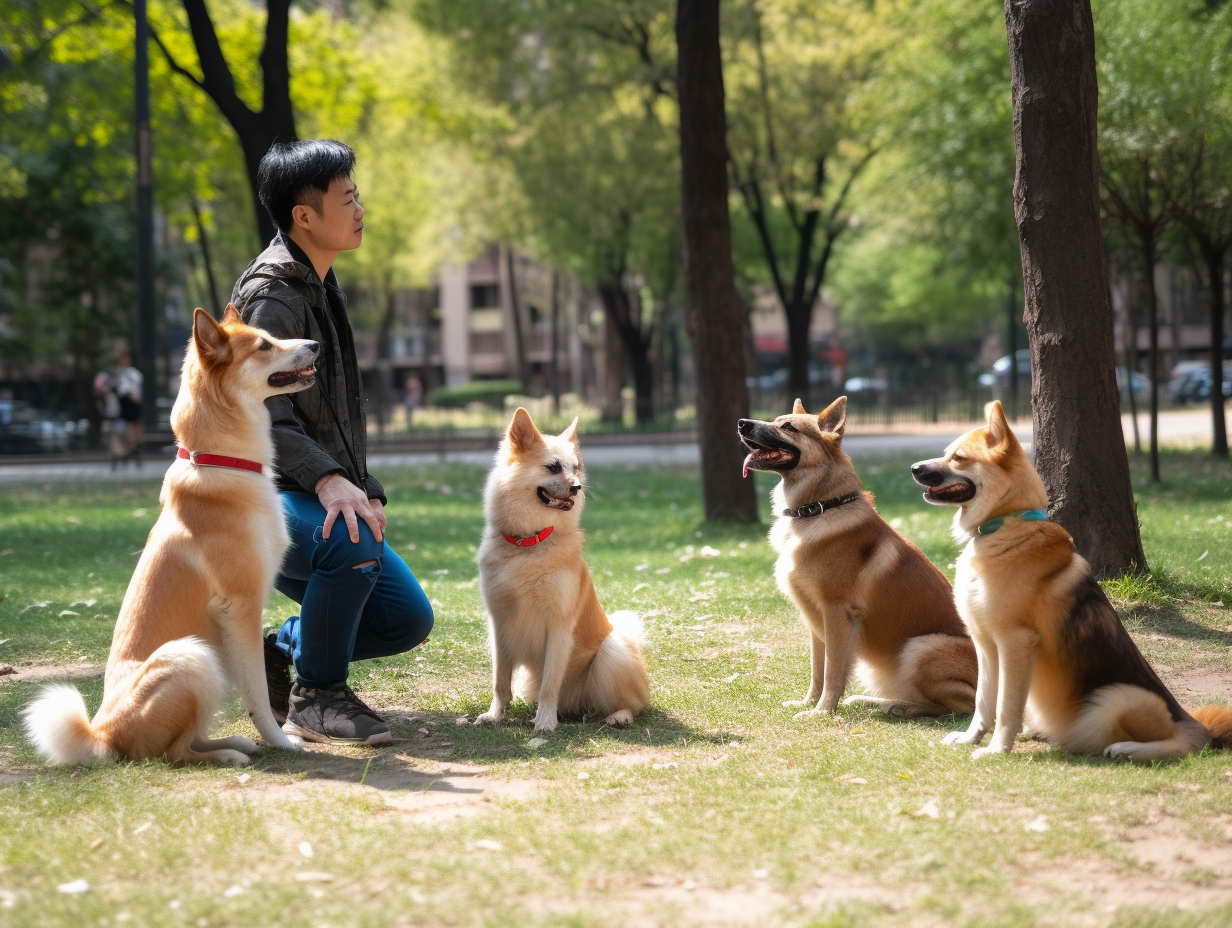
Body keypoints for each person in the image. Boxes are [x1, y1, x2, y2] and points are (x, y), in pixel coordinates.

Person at [231, 139, 434, 745]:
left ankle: (281, 649)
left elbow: (333, 416)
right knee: (347, 542)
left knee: (404, 619)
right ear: (304, 215)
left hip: (308, 488)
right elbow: (261, 414)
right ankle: (317, 696)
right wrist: (328, 481)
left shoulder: (318, 280)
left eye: (356, 196)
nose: (360, 208)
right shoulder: (274, 295)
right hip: (255, 493)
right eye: (347, 198)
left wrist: (362, 487)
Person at [114, 350, 144, 467]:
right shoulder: (119, 374)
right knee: (123, 430)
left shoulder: (134, 374)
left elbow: (137, 389)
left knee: (135, 429)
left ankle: (134, 449)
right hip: (123, 405)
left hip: (133, 405)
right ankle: (126, 451)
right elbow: (120, 390)